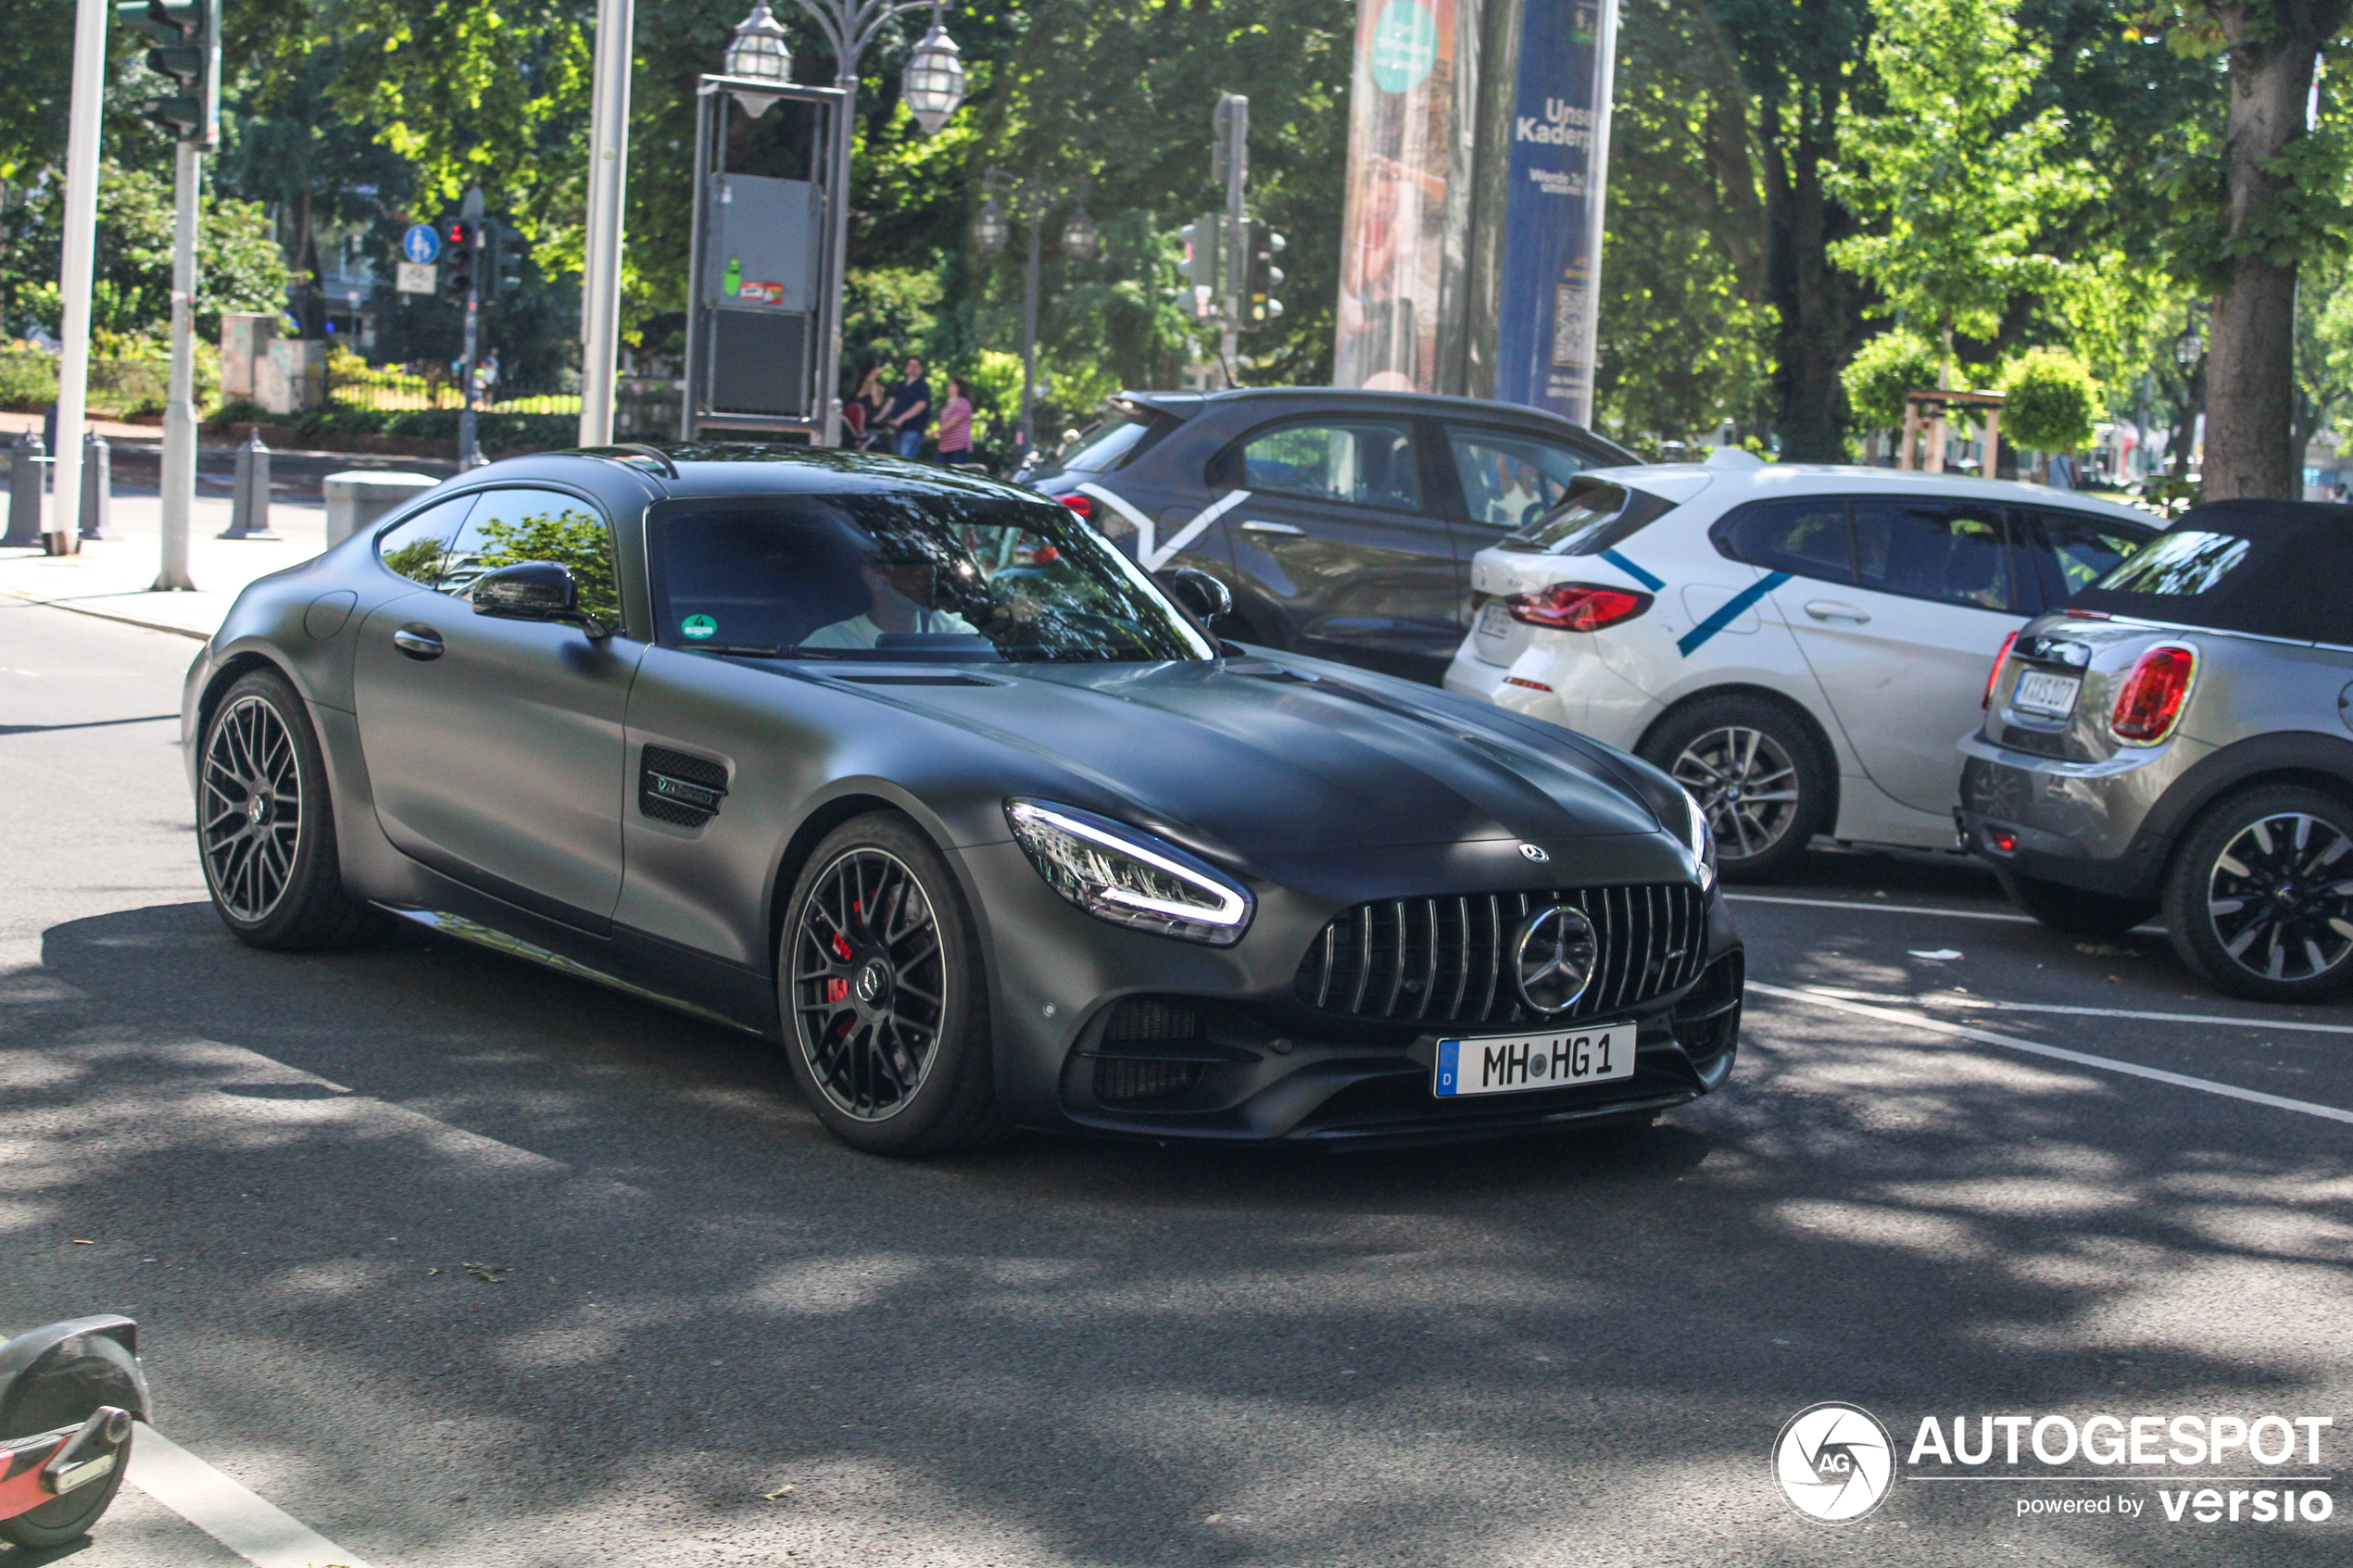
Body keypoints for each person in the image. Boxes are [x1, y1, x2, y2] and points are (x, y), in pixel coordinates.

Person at [801, 556, 977, 648]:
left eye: (931, 561)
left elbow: (989, 664)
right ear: (873, 576)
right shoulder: (828, 644)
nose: (928, 573)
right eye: (910, 563)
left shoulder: (953, 634)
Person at [882, 356, 932, 459]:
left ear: (921, 368)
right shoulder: (900, 385)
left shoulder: (922, 386)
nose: (913, 368)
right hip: (898, 429)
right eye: (910, 365)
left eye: (916, 365)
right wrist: (880, 418)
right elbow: (891, 402)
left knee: (905, 459)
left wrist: (901, 419)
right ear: (906, 367)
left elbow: (921, 405)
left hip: (913, 429)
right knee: (897, 459)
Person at [935, 377, 975, 467]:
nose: (949, 386)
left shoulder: (963, 402)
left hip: (958, 446)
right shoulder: (949, 403)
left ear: (958, 387)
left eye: (952, 384)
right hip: (945, 445)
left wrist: (937, 432)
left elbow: (955, 420)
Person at [849, 365, 887, 449]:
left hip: (859, 422)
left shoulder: (859, 384)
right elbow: (876, 403)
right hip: (869, 422)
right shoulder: (874, 386)